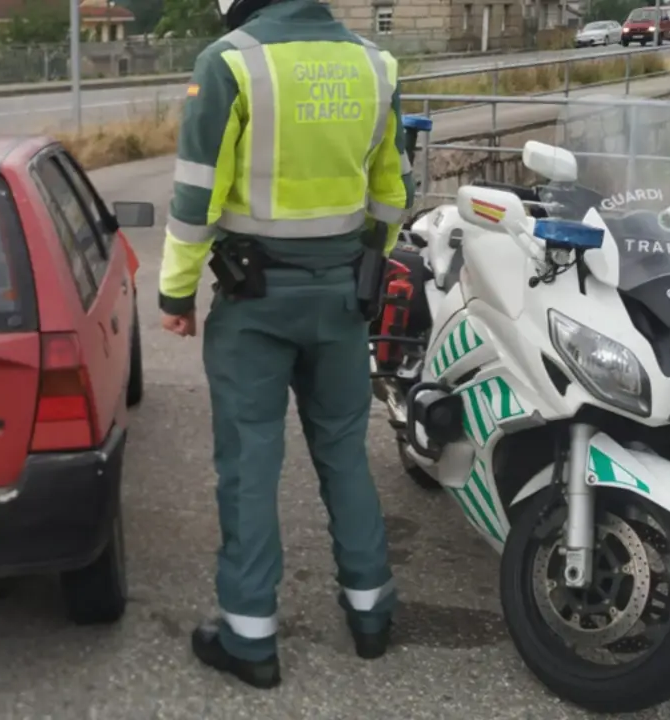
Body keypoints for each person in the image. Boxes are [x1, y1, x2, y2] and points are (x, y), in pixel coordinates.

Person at [157, 0, 414, 691]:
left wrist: (175, 294)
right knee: (344, 452)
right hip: (343, 297)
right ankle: (371, 615)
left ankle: (251, 639)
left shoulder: (230, 62)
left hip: (255, 301)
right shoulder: (375, 64)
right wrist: (367, 264)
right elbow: (392, 190)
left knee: (249, 465)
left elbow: (195, 196)